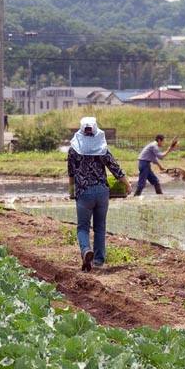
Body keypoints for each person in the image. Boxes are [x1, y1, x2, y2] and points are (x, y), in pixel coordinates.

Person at [67, 116, 131, 272]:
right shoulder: (102, 148)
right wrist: (127, 184)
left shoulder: (74, 149)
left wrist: (72, 189)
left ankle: (85, 251)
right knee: (100, 227)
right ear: (95, 130)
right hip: (102, 192)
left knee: (82, 227)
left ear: (81, 129)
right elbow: (115, 167)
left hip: (84, 192)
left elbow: (71, 173)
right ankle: (98, 260)